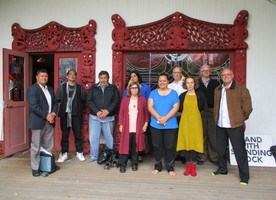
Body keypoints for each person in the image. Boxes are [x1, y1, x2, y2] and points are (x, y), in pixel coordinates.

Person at [212, 68, 253, 185]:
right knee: (220, 149)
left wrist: (239, 119)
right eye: (223, 75)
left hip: (235, 126)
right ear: (221, 77)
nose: (226, 76)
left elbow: (248, 108)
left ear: (233, 75)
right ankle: (222, 169)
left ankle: (244, 176)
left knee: (239, 151)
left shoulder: (241, 89)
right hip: (220, 125)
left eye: (228, 74)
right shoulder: (218, 89)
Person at [27, 69, 58, 177]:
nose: (44, 78)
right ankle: (35, 168)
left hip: (50, 121)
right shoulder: (32, 89)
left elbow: (55, 103)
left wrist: (53, 114)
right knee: (36, 145)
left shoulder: (49, 89)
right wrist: (47, 115)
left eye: (46, 76)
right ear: (37, 77)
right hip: (38, 122)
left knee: (48, 145)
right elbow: (34, 106)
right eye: (42, 76)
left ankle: (46, 165)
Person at [148, 74, 180, 176]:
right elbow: (150, 107)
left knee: (170, 146)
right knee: (157, 146)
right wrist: (159, 118)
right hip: (156, 124)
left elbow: (176, 108)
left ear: (168, 82)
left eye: (164, 81)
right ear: (158, 82)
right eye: (160, 81)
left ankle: (170, 167)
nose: (162, 82)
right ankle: (158, 166)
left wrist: (165, 118)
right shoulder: (153, 93)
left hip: (170, 125)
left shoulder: (173, 93)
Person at [86, 70, 120, 162]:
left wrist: (107, 111)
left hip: (108, 117)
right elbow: (89, 100)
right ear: (99, 78)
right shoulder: (93, 87)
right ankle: (94, 156)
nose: (103, 80)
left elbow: (116, 100)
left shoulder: (113, 88)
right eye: (101, 78)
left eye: (105, 78)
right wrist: (97, 112)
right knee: (94, 137)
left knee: (109, 138)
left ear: (108, 78)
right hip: (95, 118)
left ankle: (109, 156)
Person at [176, 77, 207, 176]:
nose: (190, 85)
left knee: (194, 143)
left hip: (196, 122)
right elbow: (179, 109)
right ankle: (188, 166)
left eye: (191, 83)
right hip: (185, 122)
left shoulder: (200, 95)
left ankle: (193, 167)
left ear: (195, 84)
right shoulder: (182, 95)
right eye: (188, 83)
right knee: (185, 143)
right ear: (185, 84)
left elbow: (203, 108)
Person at [118, 82, 149, 173]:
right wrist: (121, 125)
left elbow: (146, 113)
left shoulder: (142, 100)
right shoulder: (125, 100)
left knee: (135, 146)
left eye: (136, 88)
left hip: (138, 127)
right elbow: (121, 113)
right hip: (127, 126)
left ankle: (134, 163)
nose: (134, 89)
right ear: (129, 89)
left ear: (138, 89)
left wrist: (145, 124)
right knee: (125, 146)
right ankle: (123, 164)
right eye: (132, 88)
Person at [56, 69, 86, 163]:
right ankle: (64, 153)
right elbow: (58, 100)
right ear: (67, 76)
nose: (72, 76)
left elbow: (83, 101)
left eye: (74, 74)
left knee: (78, 134)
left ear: (76, 76)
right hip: (65, 114)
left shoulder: (80, 88)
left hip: (76, 114)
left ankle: (79, 152)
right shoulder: (61, 87)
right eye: (70, 74)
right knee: (65, 135)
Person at [122, 71, 151, 162]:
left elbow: (149, 100)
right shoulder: (128, 87)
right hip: (130, 117)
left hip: (143, 114)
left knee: (141, 137)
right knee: (131, 137)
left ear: (138, 77)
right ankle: (131, 155)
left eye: (135, 76)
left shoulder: (145, 87)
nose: (133, 77)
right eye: (131, 76)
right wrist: (128, 87)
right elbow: (124, 100)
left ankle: (140, 155)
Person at [196, 65, 220, 166]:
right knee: (201, 135)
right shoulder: (197, 83)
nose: (206, 72)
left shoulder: (216, 83)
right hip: (200, 111)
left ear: (210, 72)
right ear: (201, 72)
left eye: (208, 70)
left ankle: (214, 157)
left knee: (213, 136)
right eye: (204, 70)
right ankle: (201, 157)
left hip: (212, 110)